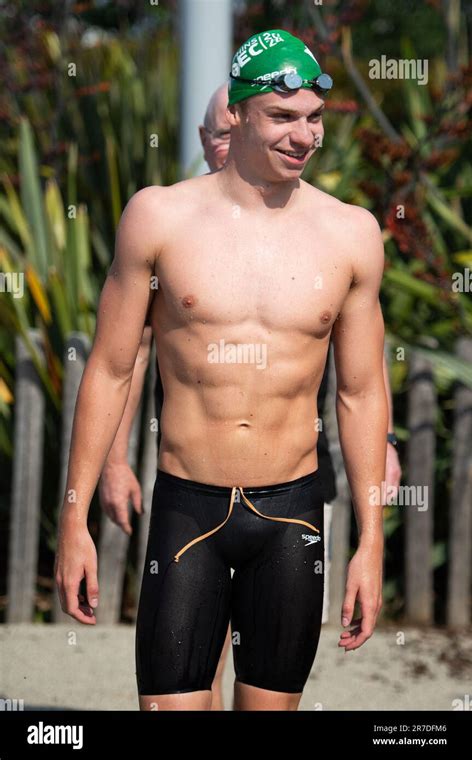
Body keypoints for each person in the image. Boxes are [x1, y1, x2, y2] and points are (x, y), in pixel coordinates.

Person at [56, 29, 391, 711]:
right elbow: (111, 370)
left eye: (314, 119)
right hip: (189, 510)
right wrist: (74, 518)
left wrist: (371, 539)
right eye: (283, 117)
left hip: (293, 518)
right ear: (235, 114)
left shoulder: (351, 234)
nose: (305, 137)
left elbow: (360, 392)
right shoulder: (159, 218)